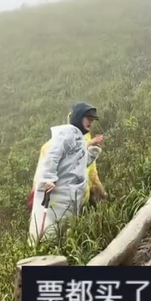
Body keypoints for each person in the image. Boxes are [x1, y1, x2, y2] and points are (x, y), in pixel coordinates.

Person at [28, 102, 103, 245]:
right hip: (57, 197)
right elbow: (52, 156)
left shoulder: (79, 138)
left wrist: (92, 153)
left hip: (69, 199)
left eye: (92, 120)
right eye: (88, 118)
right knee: (48, 235)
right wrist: (49, 179)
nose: (90, 122)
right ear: (78, 117)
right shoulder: (66, 134)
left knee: (63, 236)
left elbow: (77, 165)